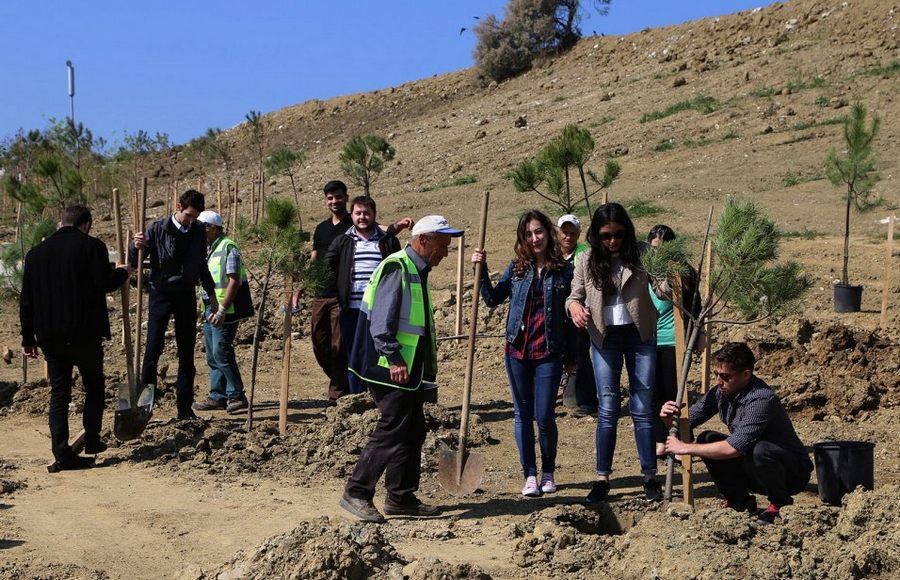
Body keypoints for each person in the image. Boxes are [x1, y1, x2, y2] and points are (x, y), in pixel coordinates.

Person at [340, 215, 463, 522]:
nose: (446, 253)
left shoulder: (416, 271)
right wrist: (394, 359)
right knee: (393, 428)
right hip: (390, 366)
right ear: (423, 241)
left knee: (412, 429)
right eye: (443, 245)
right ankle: (357, 491)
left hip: (407, 368)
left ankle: (401, 497)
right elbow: (381, 323)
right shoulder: (398, 268)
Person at [20, 205, 131, 470]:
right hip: (84, 333)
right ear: (87, 224)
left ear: (61, 222)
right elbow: (104, 282)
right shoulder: (92, 246)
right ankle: (92, 439)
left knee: (60, 393)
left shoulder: (35, 254)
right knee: (93, 385)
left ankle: (61, 452)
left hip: (50, 336)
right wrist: (123, 272)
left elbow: (26, 300)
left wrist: (27, 338)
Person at [566, 203, 662, 503]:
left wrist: (674, 283)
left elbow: (661, 287)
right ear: (596, 235)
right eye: (606, 235)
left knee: (642, 407)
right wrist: (575, 308)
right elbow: (574, 295)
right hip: (604, 337)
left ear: (627, 232)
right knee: (607, 408)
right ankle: (602, 479)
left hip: (639, 334)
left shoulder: (643, 253)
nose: (612, 241)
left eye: (618, 234)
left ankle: (650, 477)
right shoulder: (586, 259)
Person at [473, 211, 574, 497]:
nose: (534, 238)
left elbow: (572, 317)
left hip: (549, 352)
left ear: (548, 233)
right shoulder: (516, 269)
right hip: (517, 351)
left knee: (544, 416)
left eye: (539, 232)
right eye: (529, 234)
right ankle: (529, 474)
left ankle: (548, 472)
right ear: (523, 238)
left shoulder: (565, 272)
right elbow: (493, 299)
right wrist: (481, 270)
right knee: (522, 415)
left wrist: (573, 358)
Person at [662, 342, 813, 525]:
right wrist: (669, 419)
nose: (718, 381)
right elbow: (689, 422)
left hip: (790, 472)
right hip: (753, 464)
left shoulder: (761, 399)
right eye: (716, 374)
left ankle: (780, 503)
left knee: (761, 449)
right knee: (707, 439)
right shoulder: (721, 392)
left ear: (746, 374)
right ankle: (739, 500)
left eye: (725, 376)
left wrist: (687, 448)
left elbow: (732, 449)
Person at [130, 189, 218, 420]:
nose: (191, 221)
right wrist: (135, 245)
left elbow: (201, 265)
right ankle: (144, 408)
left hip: (186, 295)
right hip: (160, 294)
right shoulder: (157, 229)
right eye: (188, 215)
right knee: (152, 351)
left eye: (195, 217)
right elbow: (133, 260)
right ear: (178, 207)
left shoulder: (198, 230)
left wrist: (212, 295)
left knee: (186, 354)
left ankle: (184, 408)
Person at [325, 196, 401, 394]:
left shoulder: (388, 242)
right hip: (351, 310)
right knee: (353, 356)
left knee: (379, 355)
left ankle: (379, 396)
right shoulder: (343, 241)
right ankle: (356, 398)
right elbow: (325, 266)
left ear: (374, 215)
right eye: (358, 213)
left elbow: (399, 271)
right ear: (352, 215)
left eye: (367, 213)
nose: (362, 217)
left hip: (380, 312)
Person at [644, 224, 700, 459]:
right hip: (646, 341)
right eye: (654, 248)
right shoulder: (643, 273)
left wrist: (698, 337)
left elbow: (696, 307)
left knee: (674, 394)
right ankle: (660, 440)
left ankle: (681, 439)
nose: (658, 254)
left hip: (672, 341)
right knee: (651, 394)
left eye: (664, 249)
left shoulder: (682, 274)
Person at [192, 211, 254, 414]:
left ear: (214, 228)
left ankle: (237, 395)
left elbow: (233, 281)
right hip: (210, 307)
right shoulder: (206, 249)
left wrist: (222, 310)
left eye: (203, 228)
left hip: (226, 308)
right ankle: (218, 395)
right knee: (212, 353)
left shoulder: (228, 247)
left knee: (221, 350)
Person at [306, 180, 353, 402]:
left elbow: (379, 230)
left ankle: (337, 395)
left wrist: (398, 226)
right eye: (330, 198)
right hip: (319, 293)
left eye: (338, 197)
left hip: (341, 295)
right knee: (319, 343)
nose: (334, 201)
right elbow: (315, 257)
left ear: (346, 197)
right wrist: (302, 279)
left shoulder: (354, 224)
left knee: (338, 346)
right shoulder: (321, 228)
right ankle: (340, 380)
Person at [557, 214, 596, 418]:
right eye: (565, 232)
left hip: (578, 312)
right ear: (557, 232)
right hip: (557, 313)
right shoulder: (553, 255)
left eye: (573, 233)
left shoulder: (583, 255)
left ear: (579, 235)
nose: (568, 237)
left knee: (581, 355)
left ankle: (587, 400)